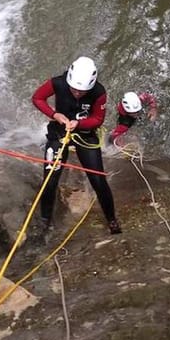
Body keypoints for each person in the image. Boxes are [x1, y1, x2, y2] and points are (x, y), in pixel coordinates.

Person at [31, 56, 122, 236]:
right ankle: (45, 222)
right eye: (74, 89)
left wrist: (78, 124)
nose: (77, 93)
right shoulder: (58, 83)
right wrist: (55, 115)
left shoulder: (98, 92)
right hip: (59, 132)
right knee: (49, 179)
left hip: (85, 135)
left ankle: (112, 219)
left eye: (82, 91)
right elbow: (38, 98)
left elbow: (97, 119)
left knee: (98, 179)